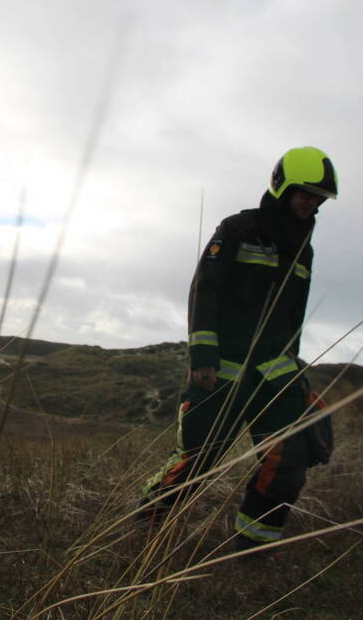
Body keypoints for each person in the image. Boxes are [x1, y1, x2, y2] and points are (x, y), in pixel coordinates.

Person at [138, 146, 338, 552]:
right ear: (282, 188)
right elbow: (204, 292)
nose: (311, 202)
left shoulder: (305, 249)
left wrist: (293, 368)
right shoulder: (237, 229)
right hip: (222, 369)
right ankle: (148, 520)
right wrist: (203, 357)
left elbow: (292, 315)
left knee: (293, 455)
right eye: (305, 193)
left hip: (275, 372)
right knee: (199, 459)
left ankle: (253, 545)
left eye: (319, 198)